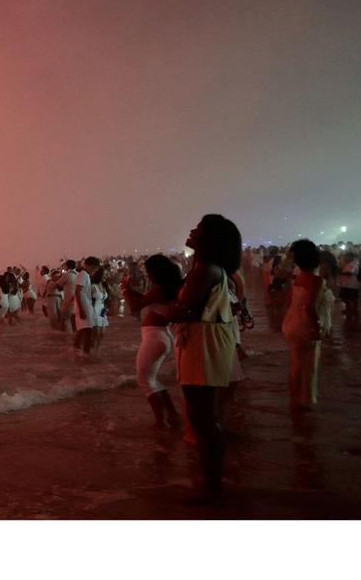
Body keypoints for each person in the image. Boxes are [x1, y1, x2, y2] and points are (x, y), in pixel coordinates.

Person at [168, 214, 242, 505]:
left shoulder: (204, 270)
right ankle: (210, 483)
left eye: (197, 229)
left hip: (203, 343)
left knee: (202, 418)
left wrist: (158, 311)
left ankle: (211, 489)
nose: (191, 231)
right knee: (203, 416)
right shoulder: (209, 268)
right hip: (207, 340)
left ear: (207, 239)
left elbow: (182, 306)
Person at [122, 256, 183, 429]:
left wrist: (125, 290)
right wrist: (130, 289)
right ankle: (172, 415)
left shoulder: (160, 289)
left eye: (149, 272)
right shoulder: (167, 287)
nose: (147, 275)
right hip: (160, 335)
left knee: (144, 380)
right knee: (152, 379)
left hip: (155, 337)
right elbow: (146, 299)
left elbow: (135, 306)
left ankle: (160, 421)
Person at [283, 239, 328, 411]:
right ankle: (302, 401)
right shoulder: (315, 280)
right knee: (308, 365)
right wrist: (316, 327)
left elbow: (289, 301)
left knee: (296, 364)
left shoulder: (298, 278)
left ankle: (294, 398)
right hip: (304, 325)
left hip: (291, 323)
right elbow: (310, 306)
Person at [73, 258, 97, 354]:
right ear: (88, 265)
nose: (93, 270)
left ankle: (78, 353)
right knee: (87, 332)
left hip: (85, 306)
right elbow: (77, 292)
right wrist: (81, 309)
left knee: (83, 331)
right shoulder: (83, 275)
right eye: (93, 267)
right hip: (83, 307)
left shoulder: (85, 275)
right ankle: (85, 354)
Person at [337, 251, 361, 323]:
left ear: (351, 257)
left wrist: (341, 272)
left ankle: (353, 311)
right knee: (346, 298)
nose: (345, 258)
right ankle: (349, 309)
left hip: (351, 285)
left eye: (346, 257)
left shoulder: (354, 264)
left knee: (352, 299)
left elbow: (350, 273)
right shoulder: (348, 264)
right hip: (347, 284)